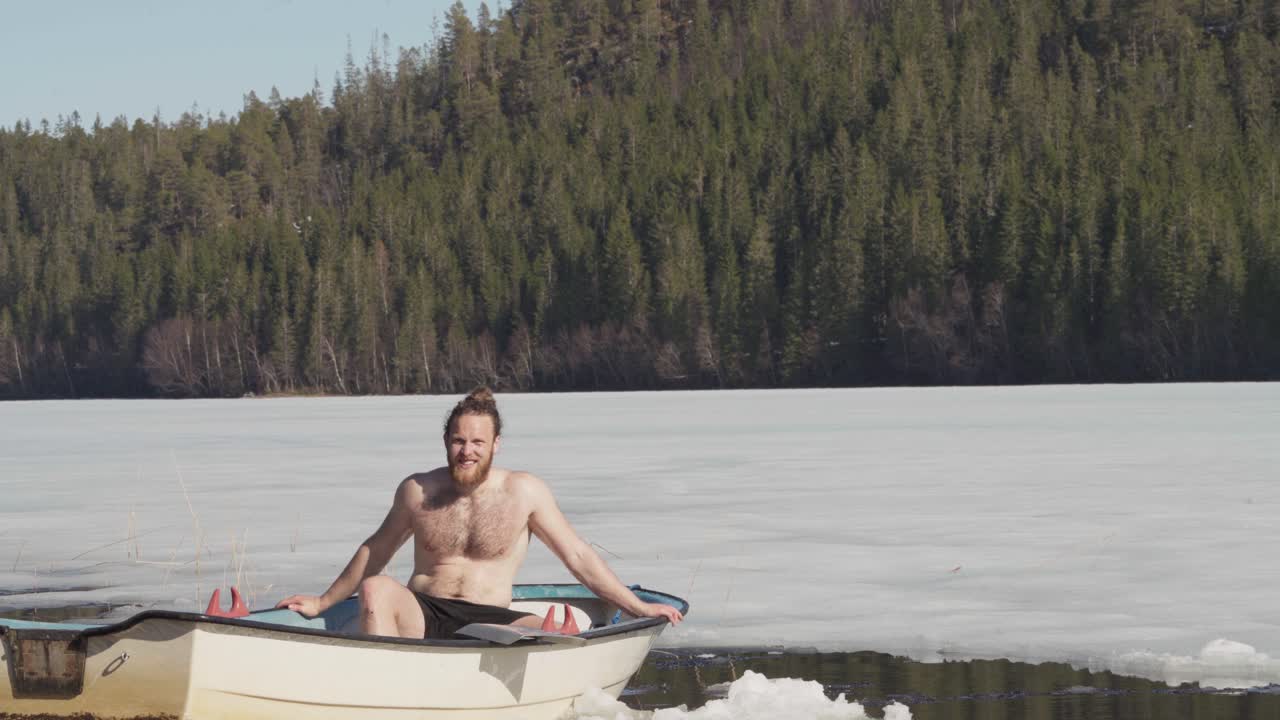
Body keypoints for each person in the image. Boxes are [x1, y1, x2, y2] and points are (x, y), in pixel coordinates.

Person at [275, 387, 683, 639]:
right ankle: (392, 684)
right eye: (458, 441)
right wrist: (322, 602)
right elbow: (375, 551)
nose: (466, 451)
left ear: (495, 445)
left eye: (476, 442)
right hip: (424, 611)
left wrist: (637, 606)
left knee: (563, 632)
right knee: (376, 589)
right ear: (446, 441)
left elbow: (577, 556)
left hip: (494, 618)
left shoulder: (524, 491)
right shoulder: (418, 490)